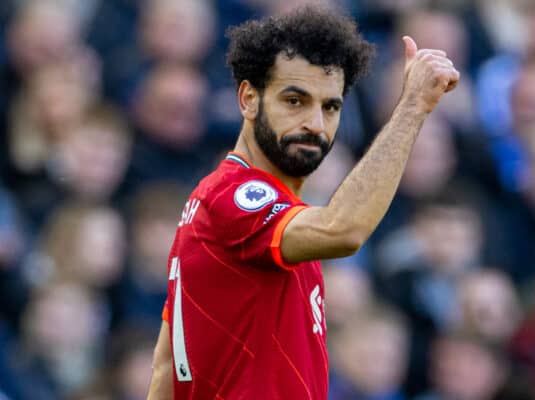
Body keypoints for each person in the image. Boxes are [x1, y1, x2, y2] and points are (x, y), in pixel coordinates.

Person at [147, 5, 459, 399]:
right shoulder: (235, 196)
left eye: (331, 107)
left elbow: (165, 368)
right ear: (248, 99)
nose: (315, 123)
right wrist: (413, 107)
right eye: (295, 100)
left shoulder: (242, 210)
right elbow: (343, 230)